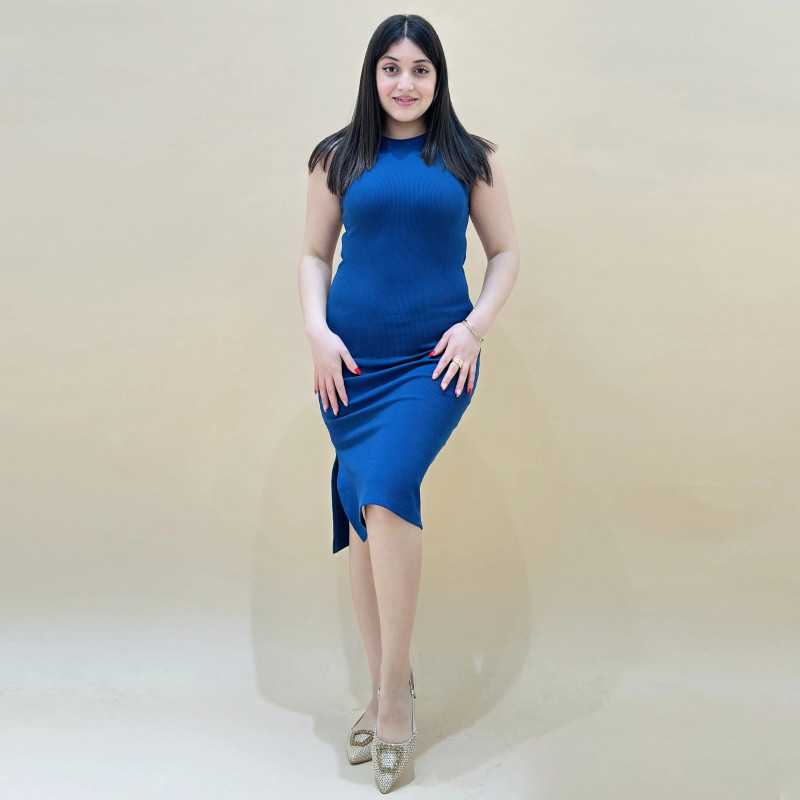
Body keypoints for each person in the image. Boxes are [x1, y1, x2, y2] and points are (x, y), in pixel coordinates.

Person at [297, 13, 519, 792]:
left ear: (438, 78)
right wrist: (318, 334)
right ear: (373, 75)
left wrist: (474, 329)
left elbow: (505, 253)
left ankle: (393, 696)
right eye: (391, 68)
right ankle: (387, 681)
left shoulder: (468, 158)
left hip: (432, 362)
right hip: (349, 366)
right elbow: (314, 254)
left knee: (388, 489)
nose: (405, 82)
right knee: (366, 510)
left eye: (420, 69)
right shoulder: (338, 157)